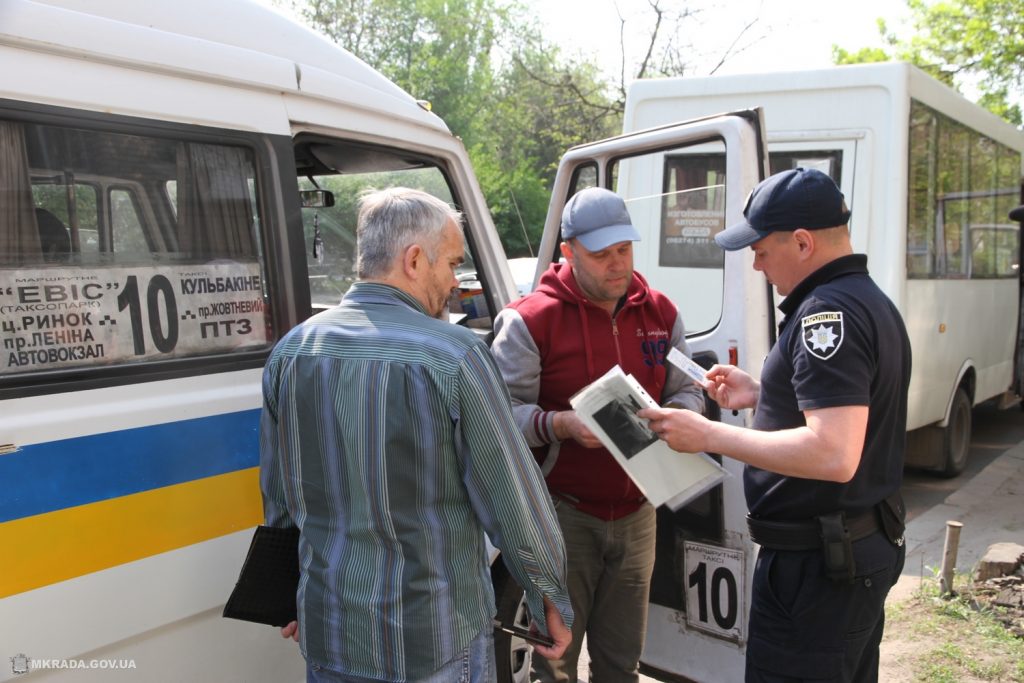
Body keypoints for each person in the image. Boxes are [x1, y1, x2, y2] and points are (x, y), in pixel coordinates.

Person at [259, 187, 573, 682]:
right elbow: (510, 496)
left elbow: (279, 495)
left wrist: (284, 589)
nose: (454, 282)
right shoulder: (455, 355)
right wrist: (548, 592)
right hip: (434, 638)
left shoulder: (292, 351)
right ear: (413, 260)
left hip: (331, 630)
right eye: (450, 264)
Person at [639, 168, 912, 683]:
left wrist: (709, 435)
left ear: (804, 242)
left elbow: (834, 453)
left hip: (819, 568)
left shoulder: (826, 314)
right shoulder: (864, 299)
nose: (758, 266)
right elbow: (850, 410)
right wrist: (765, 396)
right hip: (848, 551)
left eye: (761, 251)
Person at [490, 187, 704, 683]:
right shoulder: (528, 320)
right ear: (568, 252)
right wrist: (560, 424)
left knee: (621, 665)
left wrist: (678, 416)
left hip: (638, 515)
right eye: (601, 254)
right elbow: (498, 419)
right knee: (554, 666)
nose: (616, 265)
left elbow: (688, 388)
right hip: (561, 517)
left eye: (624, 251)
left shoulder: (662, 314)